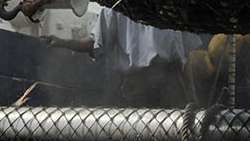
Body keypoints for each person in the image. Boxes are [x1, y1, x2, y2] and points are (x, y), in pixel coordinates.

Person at [45, 7, 200, 107]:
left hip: (171, 85)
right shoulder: (116, 6)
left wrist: (192, 97)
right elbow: (95, 42)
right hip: (138, 87)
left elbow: (186, 57)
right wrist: (63, 42)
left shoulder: (171, 1)